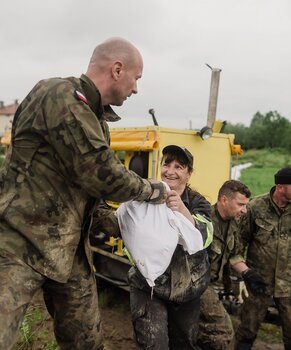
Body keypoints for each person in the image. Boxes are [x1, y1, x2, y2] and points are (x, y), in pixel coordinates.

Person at [0, 37, 168, 350]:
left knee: (86, 342)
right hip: (19, 243)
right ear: (118, 69)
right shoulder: (59, 95)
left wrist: (131, 225)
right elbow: (102, 173)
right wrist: (154, 191)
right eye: (137, 79)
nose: (136, 90)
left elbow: (90, 192)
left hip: (69, 251)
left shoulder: (97, 121)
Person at [128, 145, 213, 350]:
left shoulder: (198, 202)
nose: (170, 171)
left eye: (179, 166)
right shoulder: (146, 195)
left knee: (184, 343)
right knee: (153, 343)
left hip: (187, 289)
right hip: (149, 286)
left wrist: (182, 210)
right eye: (167, 164)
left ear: (189, 173)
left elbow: (205, 236)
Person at [233, 167, 291, 350]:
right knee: (246, 331)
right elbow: (239, 242)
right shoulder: (256, 207)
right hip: (257, 283)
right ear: (280, 187)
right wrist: (240, 277)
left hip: (290, 286)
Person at [197, 180, 251, 350]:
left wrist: (247, 274)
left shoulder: (234, 222)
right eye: (240, 204)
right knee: (224, 330)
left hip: (213, 285)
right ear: (224, 200)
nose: (244, 210)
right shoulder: (203, 223)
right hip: (197, 285)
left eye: (246, 205)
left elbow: (234, 254)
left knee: (208, 334)